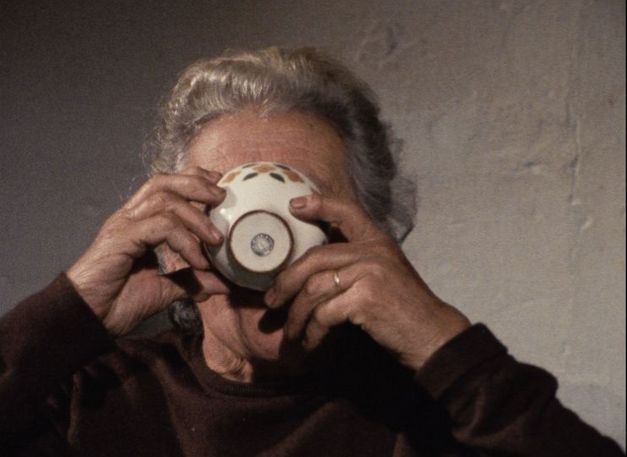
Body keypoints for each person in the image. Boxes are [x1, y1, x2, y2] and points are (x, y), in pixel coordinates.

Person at [0, 47, 623, 457]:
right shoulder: (91, 399)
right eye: (224, 204)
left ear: (371, 229)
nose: (262, 241)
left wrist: (441, 341)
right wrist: (71, 310)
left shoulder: (428, 417)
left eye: (304, 205)